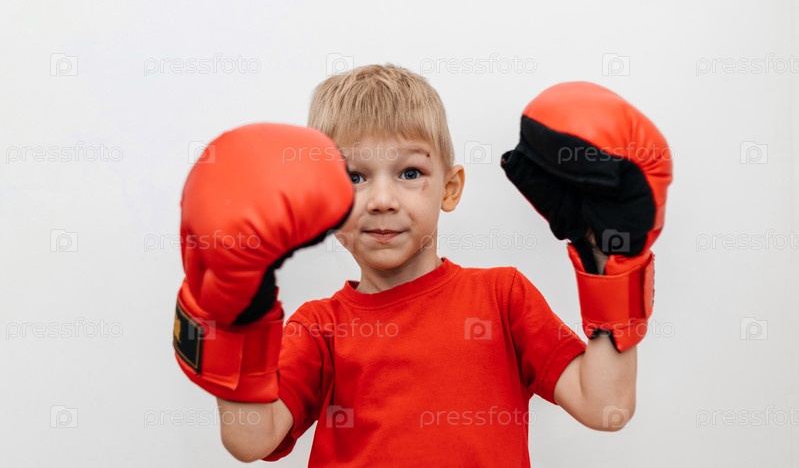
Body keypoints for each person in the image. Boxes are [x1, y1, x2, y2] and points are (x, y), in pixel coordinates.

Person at [172, 65, 672, 466]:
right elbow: (251, 440)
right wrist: (230, 310)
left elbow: (605, 407)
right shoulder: (319, 326)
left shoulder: (502, 298)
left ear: (449, 188)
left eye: (410, 172)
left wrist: (611, 261)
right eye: (354, 177)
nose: (382, 199)